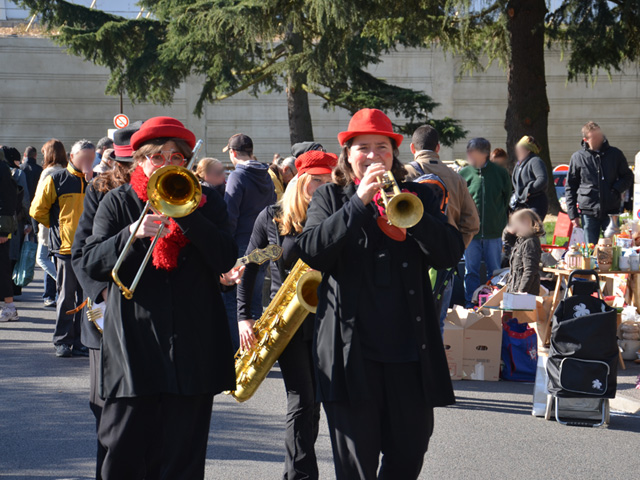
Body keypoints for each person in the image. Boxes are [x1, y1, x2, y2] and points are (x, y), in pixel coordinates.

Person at [296, 109, 465, 480]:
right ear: (347, 155)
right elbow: (310, 250)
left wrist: (414, 216)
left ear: (394, 154)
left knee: (410, 453)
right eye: (363, 148)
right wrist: (358, 202)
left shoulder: (419, 193)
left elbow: (450, 252)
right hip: (349, 356)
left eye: (382, 148)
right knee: (356, 465)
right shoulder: (330, 197)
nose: (373, 156)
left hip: (409, 353)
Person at [79, 116, 237, 479]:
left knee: (184, 457)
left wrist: (189, 217)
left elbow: (226, 255)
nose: (167, 164)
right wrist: (130, 237)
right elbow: (88, 261)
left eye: (176, 158)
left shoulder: (207, 200)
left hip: (193, 345)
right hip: (133, 347)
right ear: (141, 161)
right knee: (124, 452)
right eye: (157, 157)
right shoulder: (118, 202)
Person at [237, 150, 336, 480]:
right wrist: (243, 317)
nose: (324, 186)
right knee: (302, 399)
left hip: (328, 319)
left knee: (316, 401)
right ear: (301, 179)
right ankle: (300, 475)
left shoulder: (331, 215)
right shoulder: (273, 218)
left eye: (328, 179)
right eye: (317, 180)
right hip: (287, 319)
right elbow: (254, 263)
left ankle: (301, 470)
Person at [71, 121, 141, 480]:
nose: (132, 168)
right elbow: (81, 252)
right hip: (105, 310)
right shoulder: (100, 191)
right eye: (127, 162)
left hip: (147, 316)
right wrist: (101, 294)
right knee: (108, 410)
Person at [405, 125, 479, 333]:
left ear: (412, 148)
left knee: (408, 326)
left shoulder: (404, 174)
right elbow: (472, 223)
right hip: (444, 266)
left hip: (410, 262)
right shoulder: (457, 177)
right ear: (438, 147)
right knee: (436, 325)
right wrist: (453, 251)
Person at [30, 139, 95, 357]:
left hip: (91, 249)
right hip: (66, 249)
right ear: (72, 157)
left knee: (87, 299)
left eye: (91, 158)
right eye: (84, 158)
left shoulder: (97, 182)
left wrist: (93, 182)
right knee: (67, 296)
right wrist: (58, 229)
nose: (88, 162)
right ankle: (62, 340)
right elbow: (37, 210)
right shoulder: (57, 179)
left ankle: (81, 340)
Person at [223, 133, 276, 348]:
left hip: (241, 245)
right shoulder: (266, 174)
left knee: (235, 302)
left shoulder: (238, 176)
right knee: (254, 301)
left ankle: (238, 353)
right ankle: (257, 349)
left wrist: (225, 246)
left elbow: (230, 213)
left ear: (233, 153)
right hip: (262, 244)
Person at [459, 138, 511, 308]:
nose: (469, 157)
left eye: (473, 154)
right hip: (471, 234)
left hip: (493, 232)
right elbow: (459, 202)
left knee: (494, 271)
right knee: (471, 271)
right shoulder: (464, 174)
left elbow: (506, 199)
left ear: (485, 155)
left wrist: (498, 221)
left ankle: (492, 304)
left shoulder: (500, 173)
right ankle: (470, 304)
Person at [565, 121, 633, 246]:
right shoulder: (578, 157)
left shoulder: (615, 154)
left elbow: (628, 176)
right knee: (590, 250)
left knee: (613, 249)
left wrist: (616, 189)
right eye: (595, 137)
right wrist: (572, 214)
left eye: (600, 136)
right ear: (585, 139)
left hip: (611, 211)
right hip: (588, 212)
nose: (599, 140)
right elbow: (570, 187)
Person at [35, 140, 68, 308]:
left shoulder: (48, 172)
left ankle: (68, 284)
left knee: (42, 258)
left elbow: (38, 204)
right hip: (64, 223)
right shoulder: (66, 171)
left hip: (49, 223)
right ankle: (60, 289)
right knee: (55, 258)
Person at [503, 209, 544, 295]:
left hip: (525, 294)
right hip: (514, 289)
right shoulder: (520, 240)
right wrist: (508, 230)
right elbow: (507, 239)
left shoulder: (531, 242)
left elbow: (530, 270)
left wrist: (521, 291)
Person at [0, 150, 19, 322]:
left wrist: (4, 230)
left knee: (2, 268)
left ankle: (10, 308)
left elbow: (8, 198)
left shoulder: (2, 168)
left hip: (1, 228)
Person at [511, 135, 549, 219]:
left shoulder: (535, 161)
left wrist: (528, 190)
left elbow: (542, 179)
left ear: (528, 150)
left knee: (531, 230)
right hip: (521, 203)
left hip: (536, 203)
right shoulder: (519, 164)